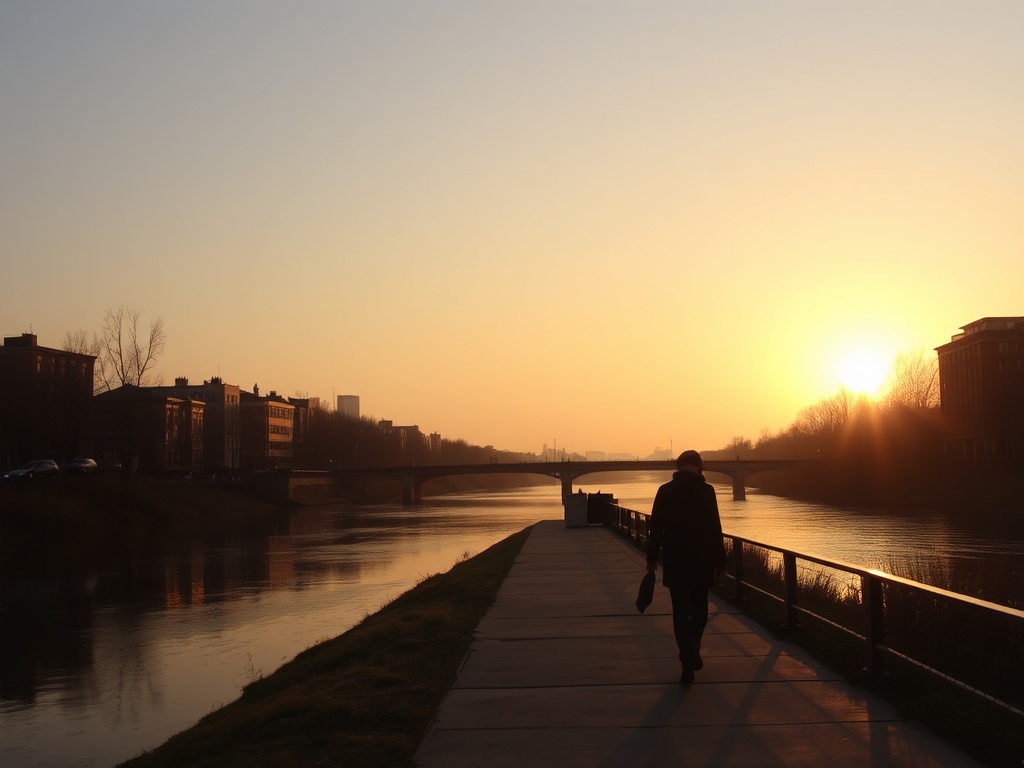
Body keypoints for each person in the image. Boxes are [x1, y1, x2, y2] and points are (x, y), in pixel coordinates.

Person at [646, 449, 726, 685]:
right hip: (701, 559)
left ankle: (686, 658)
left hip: (675, 558)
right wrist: (720, 560)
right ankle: (694, 645)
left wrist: (651, 558)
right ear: (699, 467)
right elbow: (714, 528)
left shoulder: (665, 490)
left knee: (679, 609)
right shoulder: (707, 491)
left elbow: (656, 528)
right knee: (700, 606)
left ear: (679, 467)